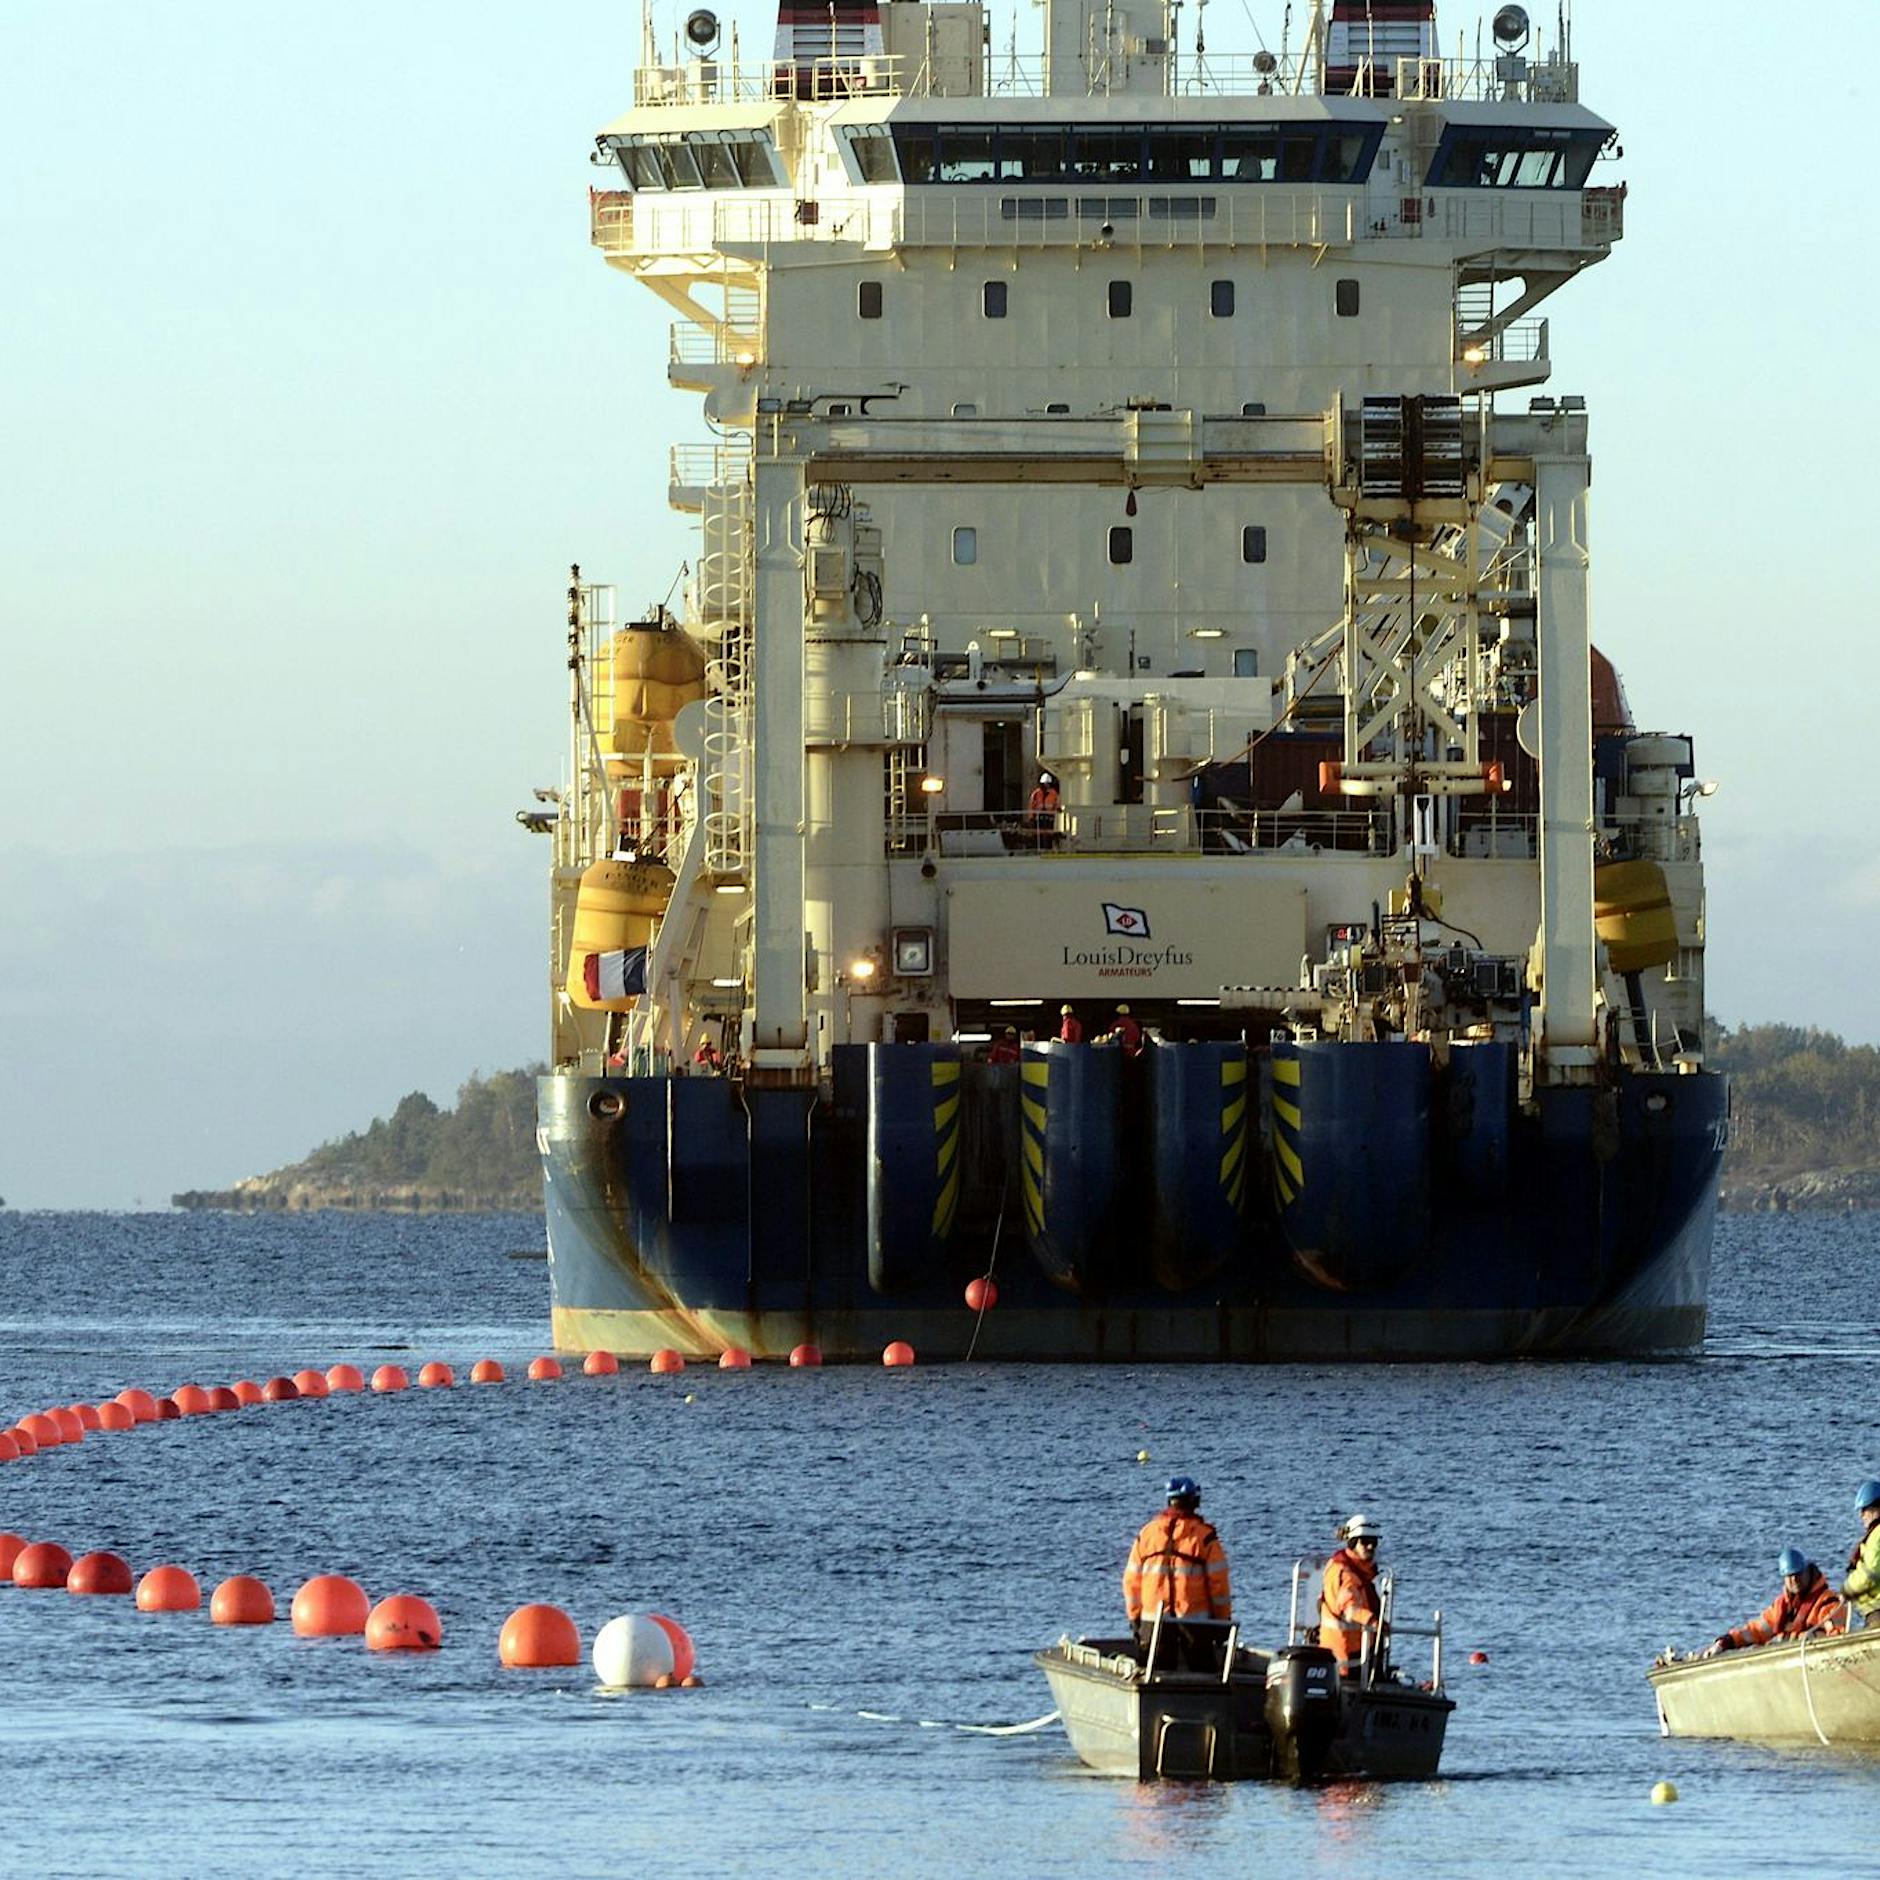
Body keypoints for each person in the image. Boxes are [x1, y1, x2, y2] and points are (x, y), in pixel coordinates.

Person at [1124, 1476, 1232, 1663]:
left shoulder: (1147, 1534)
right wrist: (1223, 1622)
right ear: (1194, 1501)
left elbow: (1131, 1581)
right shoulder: (1205, 1538)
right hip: (1195, 1624)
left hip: (1153, 1622)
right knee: (1203, 1676)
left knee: (1153, 1672)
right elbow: (1219, 1585)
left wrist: (1135, 1619)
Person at [1704, 1548, 1844, 1655]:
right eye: (1789, 1576)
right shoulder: (1782, 1606)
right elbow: (1755, 1631)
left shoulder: (1828, 1602)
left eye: (1798, 1574)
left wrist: (1787, 1639)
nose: (1794, 1580)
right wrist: (1726, 1642)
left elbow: (1835, 1638)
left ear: (1807, 1572)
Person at [1319, 1512, 1383, 1676]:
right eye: (1365, 1542)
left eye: (1374, 1542)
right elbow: (1350, 1607)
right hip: (1346, 1657)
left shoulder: (1349, 1569)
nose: (1370, 1547)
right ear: (1353, 1543)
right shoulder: (1346, 1573)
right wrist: (1374, 1622)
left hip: (1349, 1651)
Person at [1842, 1480, 1880, 1623]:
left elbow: (1869, 1574)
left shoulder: (1877, 1535)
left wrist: (1848, 1589)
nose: (1861, 1516)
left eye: (1864, 1510)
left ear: (1876, 1509)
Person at [1026, 770, 1060, 845]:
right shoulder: (1036, 793)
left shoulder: (1053, 793)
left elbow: (1057, 803)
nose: (1046, 785)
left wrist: (1057, 809)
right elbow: (1031, 806)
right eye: (1045, 784)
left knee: (1049, 833)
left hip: (1049, 816)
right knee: (1039, 834)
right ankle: (1039, 846)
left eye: (1048, 784)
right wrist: (1031, 817)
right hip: (1039, 816)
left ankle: (1048, 846)